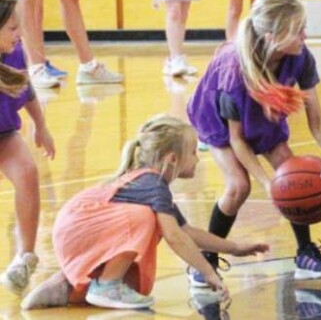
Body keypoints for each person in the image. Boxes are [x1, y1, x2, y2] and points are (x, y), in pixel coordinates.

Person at [20, 114, 269, 310]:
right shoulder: (152, 185)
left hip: (74, 230)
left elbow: (187, 232)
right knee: (144, 219)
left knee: (139, 263)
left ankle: (63, 286)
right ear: (172, 158)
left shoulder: (150, 184)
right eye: (193, 152)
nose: (197, 159)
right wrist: (207, 272)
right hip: (76, 226)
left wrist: (236, 248)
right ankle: (107, 285)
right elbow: (175, 237)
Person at [187, 0, 321, 287]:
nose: (305, 35)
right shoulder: (232, 69)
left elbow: (317, 119)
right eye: (298, 30)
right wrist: (268, 183)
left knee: (293, 173)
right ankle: (205, 259)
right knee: (239, 186)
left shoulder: (300, 57)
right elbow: (238, 140)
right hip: (217, 122)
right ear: (272, 36)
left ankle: (305, 254)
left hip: (261, 114)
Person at [0, 0, 55, 292]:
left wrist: (41, 126)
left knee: (27, 173)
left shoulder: (16, 53)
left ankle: (25, 256)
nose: (19, 33)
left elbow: (27, 90)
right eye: (12, 27)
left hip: (5, 133)